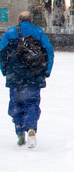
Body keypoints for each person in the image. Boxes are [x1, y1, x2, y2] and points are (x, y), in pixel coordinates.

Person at [0, 11, 55, 148]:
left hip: (15, 75)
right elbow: (49, 50)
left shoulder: (10, 32)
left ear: (18, 21)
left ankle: (19, 131)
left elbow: (1, 52)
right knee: (31, 102)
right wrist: (47, 70)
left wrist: (5, 70)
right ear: (31, 20)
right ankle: (31, 128)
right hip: (34, 75)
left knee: (16, 103)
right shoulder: (38, 31)